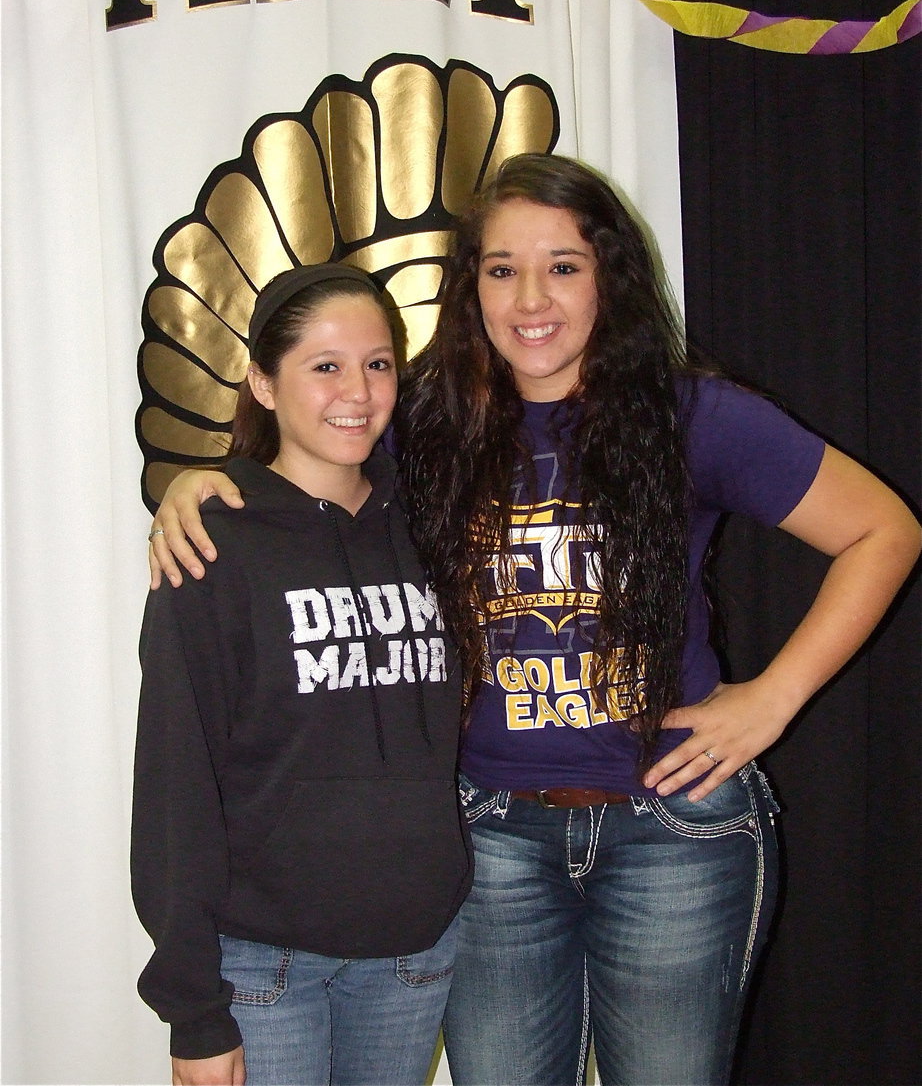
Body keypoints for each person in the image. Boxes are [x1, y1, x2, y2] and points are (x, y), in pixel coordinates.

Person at [148, 156, 921, 1086]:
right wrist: (207, 478)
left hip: (676, 831)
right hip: (490, 837)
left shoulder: (695, 416)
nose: (530, 297)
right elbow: (317, 453)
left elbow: (883, 529)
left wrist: (773, 699)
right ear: (470, 286)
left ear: (609, 275)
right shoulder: (424, 417)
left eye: (562, 265)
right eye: (501, 268)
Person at [133, 264, 472, 1086]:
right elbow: (176, 780)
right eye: (324, 365)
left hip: (413, 951)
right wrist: (192, 1009)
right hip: (262, 965)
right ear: (263, 382)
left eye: (379, 362)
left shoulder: (433, 523)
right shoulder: (215, 546)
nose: (357, 389)